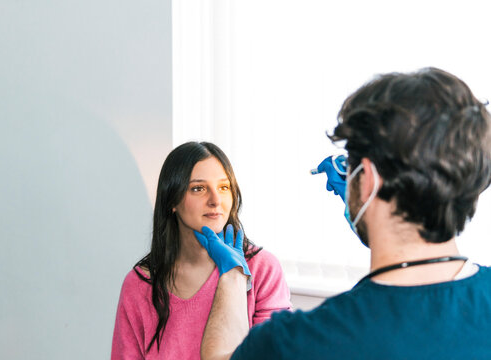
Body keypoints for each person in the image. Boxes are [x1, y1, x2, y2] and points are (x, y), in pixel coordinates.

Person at [197, 68, 491, 359]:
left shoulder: (302, 341)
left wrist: (233, 276)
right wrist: (371, 213)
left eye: (351, 168)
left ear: (370, 179)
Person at [111, 141, 291, 360]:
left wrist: (234, 277)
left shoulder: (261, 268)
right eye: (198, 188)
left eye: (224, 188)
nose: (215, 201)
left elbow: (274, 354)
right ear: (172, 200)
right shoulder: (140, 284)